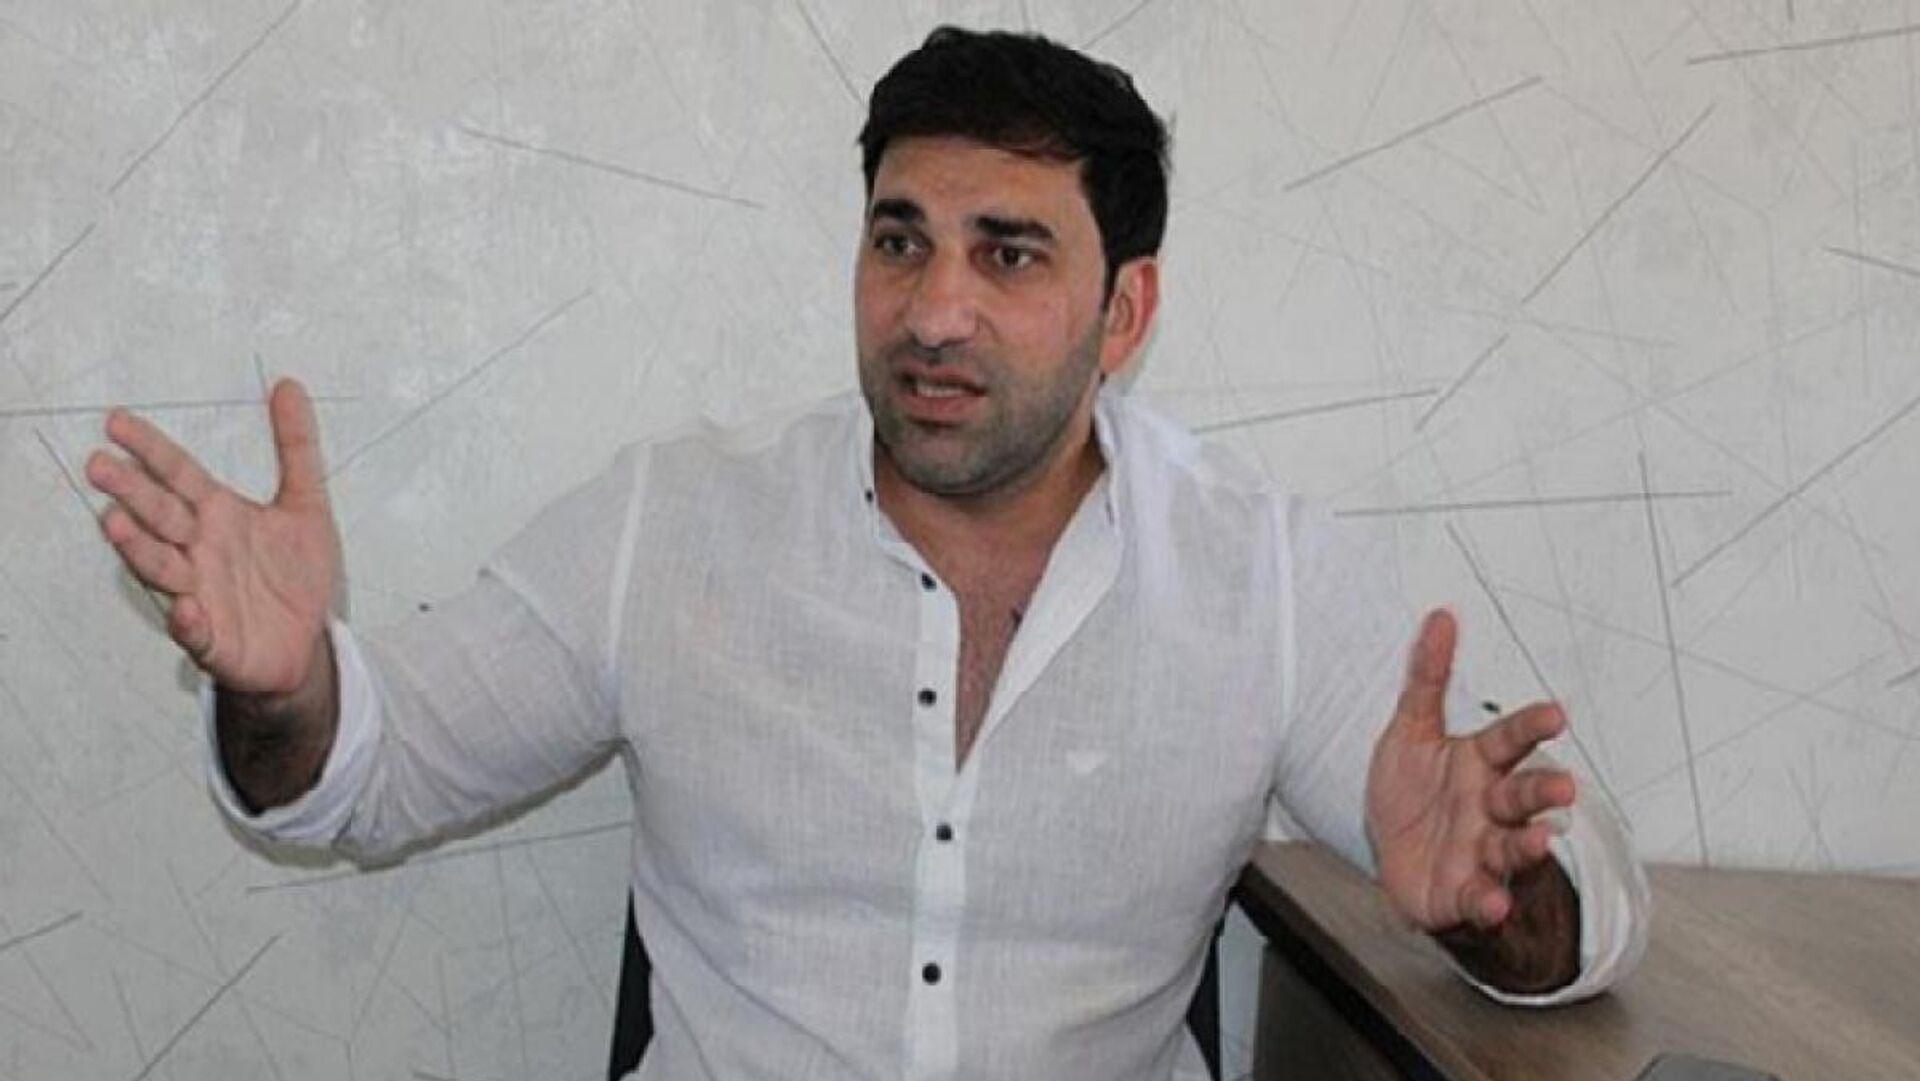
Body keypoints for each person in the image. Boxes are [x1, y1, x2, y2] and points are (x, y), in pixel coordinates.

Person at [86, 26, 1646, 1081]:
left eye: (1007, 253)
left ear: (1126, 312)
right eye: (901, 240)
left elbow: (1594, 909)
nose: (934, 310)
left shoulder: (1263, 578)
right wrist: (284, 687)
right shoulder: (674, 522)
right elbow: (361, 769)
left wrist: (1496, 896)